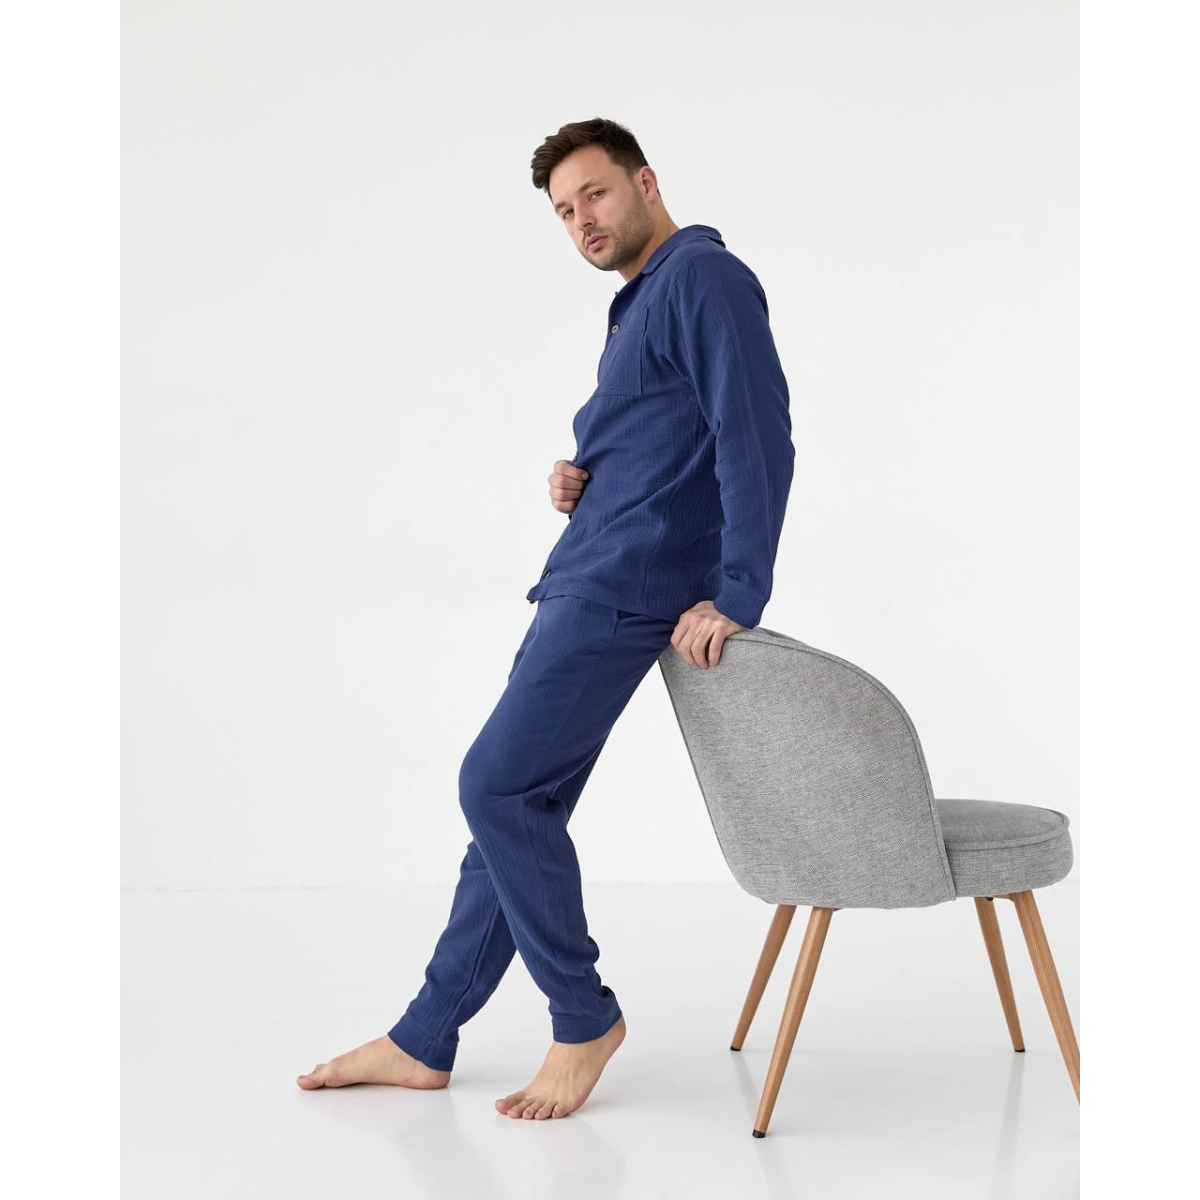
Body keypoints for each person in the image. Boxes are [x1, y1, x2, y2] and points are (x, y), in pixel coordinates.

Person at [297, 117, 796, 1120]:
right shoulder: (642, 299)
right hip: (588, 570)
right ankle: (426, 1034)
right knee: (511, 813)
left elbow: (757, 436)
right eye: (565, 212)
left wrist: (740, 592)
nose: (582, 222)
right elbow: (674, 435)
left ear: (645, 181)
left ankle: (583, 1016)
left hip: (622, 589)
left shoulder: (703, 278)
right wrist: (588, 476)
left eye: (595, 195)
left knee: (493, 786)